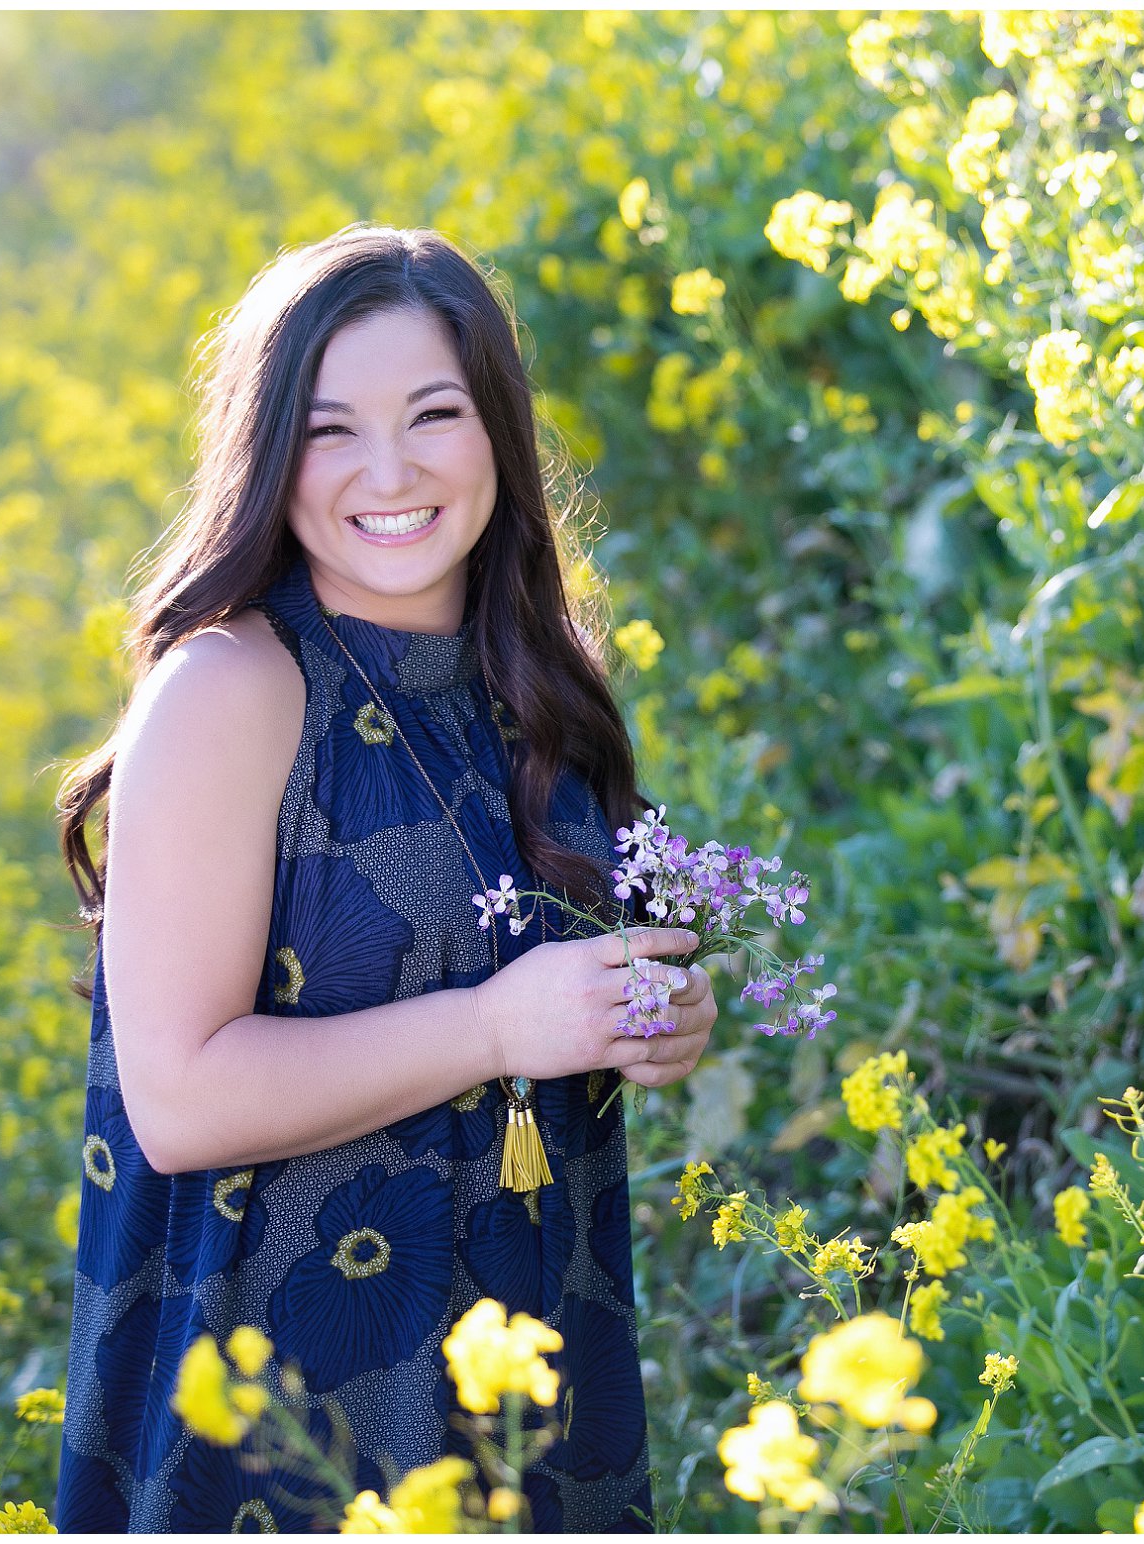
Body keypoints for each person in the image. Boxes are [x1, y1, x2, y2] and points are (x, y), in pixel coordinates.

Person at [51, 224, 716, 1532]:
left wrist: (642, 1021)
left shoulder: (534, 677)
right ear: (267, 452)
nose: (391, 471)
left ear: (498, 432)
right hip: (291, 1399)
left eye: (433, 413)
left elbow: (547, 989)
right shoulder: (232, 688)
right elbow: (176, 1099)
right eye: (330, 429)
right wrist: (492, 1027)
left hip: (534, 1369)